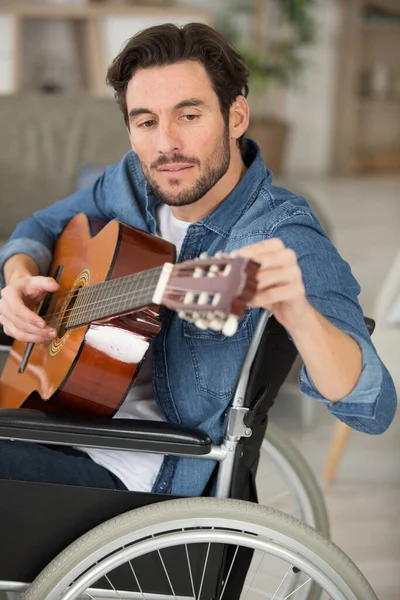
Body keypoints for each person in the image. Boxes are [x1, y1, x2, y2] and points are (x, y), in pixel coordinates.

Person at [0, 23, 396, 497]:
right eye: (146, 122)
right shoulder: (132, 180)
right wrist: (19, 275)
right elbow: (41, 226)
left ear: (236, 117)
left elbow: (372, 404)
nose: (165, 143)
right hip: (60, 418)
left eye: (188, 116)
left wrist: (299, 314)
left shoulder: (280, 237)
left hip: (136, 476)